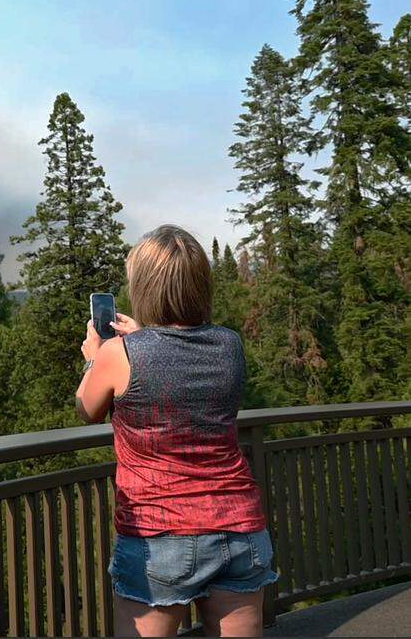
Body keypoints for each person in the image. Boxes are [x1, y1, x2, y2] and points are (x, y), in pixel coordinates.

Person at [75, 224, 277, 637]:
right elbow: (180, 361)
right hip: (240, 528)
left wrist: (96, 358)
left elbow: (87, 408)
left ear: (145, 288)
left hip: (159, 535)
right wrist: (142, 339)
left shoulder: (119, 353)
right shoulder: (230, 344)